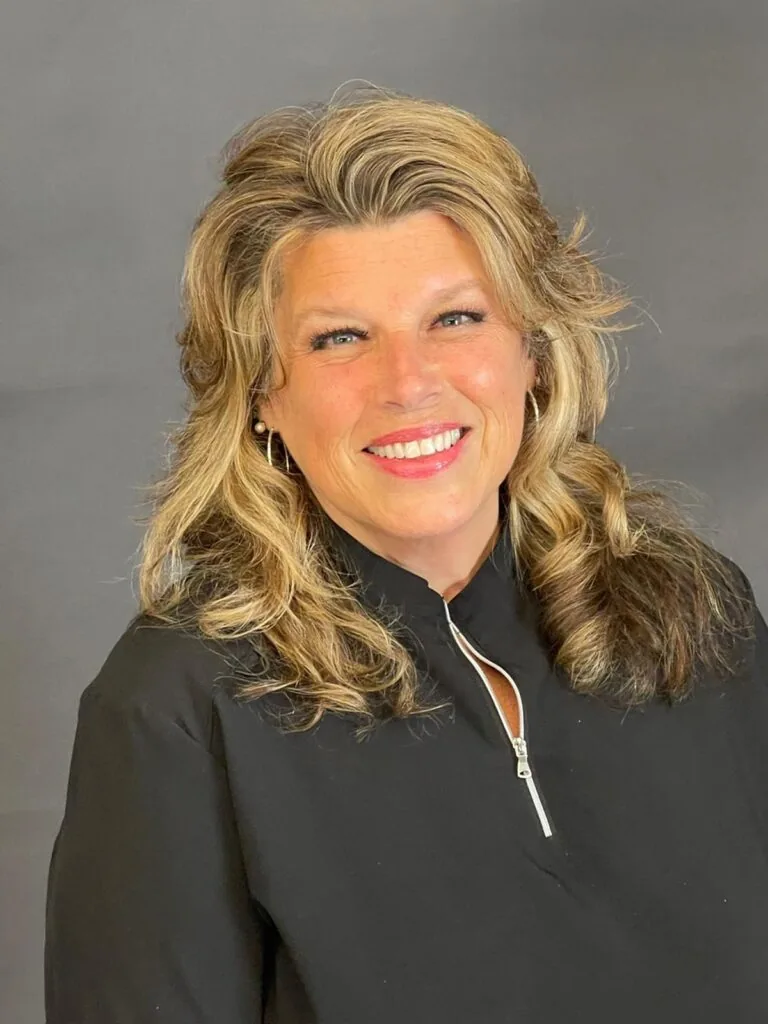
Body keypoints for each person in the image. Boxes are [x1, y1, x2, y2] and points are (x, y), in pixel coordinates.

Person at [44, 85, 768, 1023]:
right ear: (263, 395)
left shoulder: (690, 610)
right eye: (340, 337)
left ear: (533, 352)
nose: (409, 383)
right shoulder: (177, 710)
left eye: (456, 319)